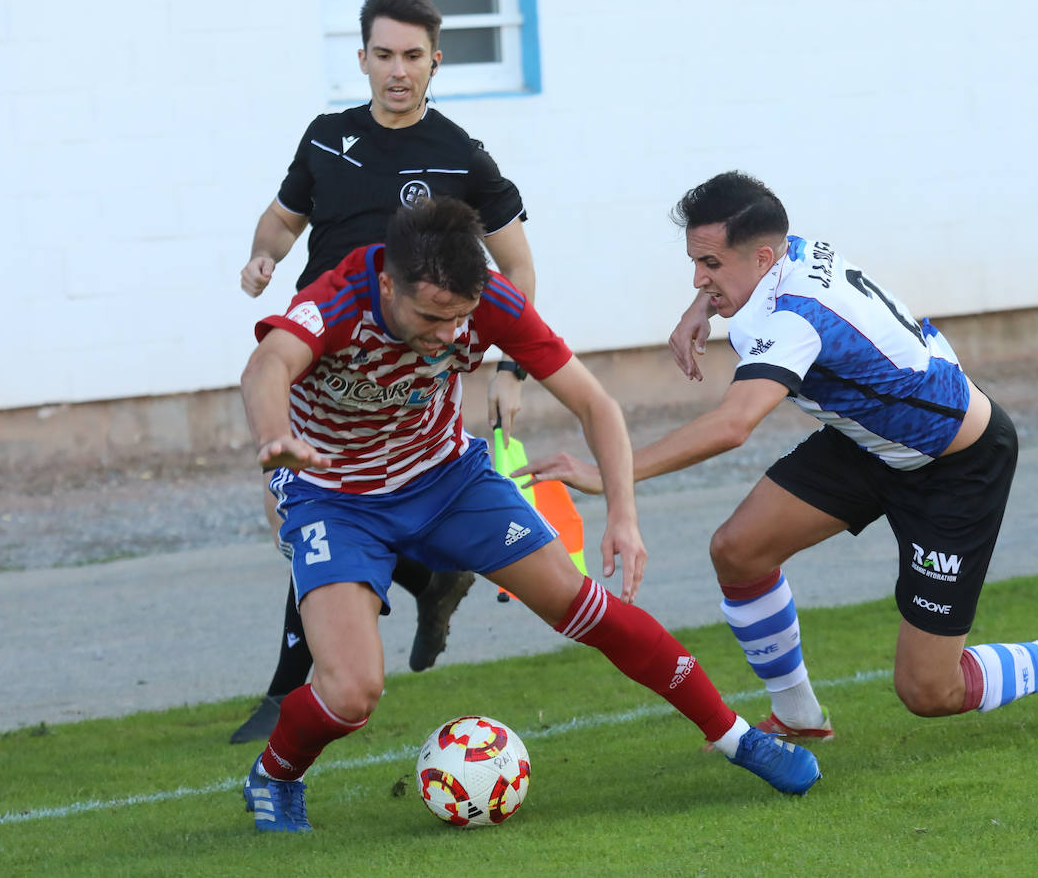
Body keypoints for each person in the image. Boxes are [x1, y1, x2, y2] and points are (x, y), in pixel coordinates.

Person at [237, 197, 821, 833]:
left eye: (456, 320)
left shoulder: (490, 300)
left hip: (446, 478)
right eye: (430, 317)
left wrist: (622, 515)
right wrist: (275, 437)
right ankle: (276, 774)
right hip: (333, 496)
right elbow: (268, 364)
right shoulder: (340, 295)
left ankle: (736, 737)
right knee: (352, 692)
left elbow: (596, 406)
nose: (444, 337)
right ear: (387, 284)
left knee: (583, 604)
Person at [519, 171, 1038, 748]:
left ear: (762, 257)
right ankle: (799, 716)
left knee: (929, 692)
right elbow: (745, 279)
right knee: (738, 550)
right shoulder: (786, 253)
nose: (697, 280)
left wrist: (609, 474)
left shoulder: (794, 317)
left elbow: (734, 425)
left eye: (708, 265)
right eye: (694, 263)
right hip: (867, 441)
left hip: (955, 464)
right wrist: (699, 310)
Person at [230, 0, 537, 744]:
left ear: (437, 60)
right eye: (383, 55)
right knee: (301, 514)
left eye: (412, 56)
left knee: (321, 513)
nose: (397, 71)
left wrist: (508, 367)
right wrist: (264, 257)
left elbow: (518, 269)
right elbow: (281, 219)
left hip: (404, 377)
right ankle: (427, 583)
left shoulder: (461, 155)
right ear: (361, 58)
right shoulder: (327, 137)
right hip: (315, 361)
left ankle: (284, 695)